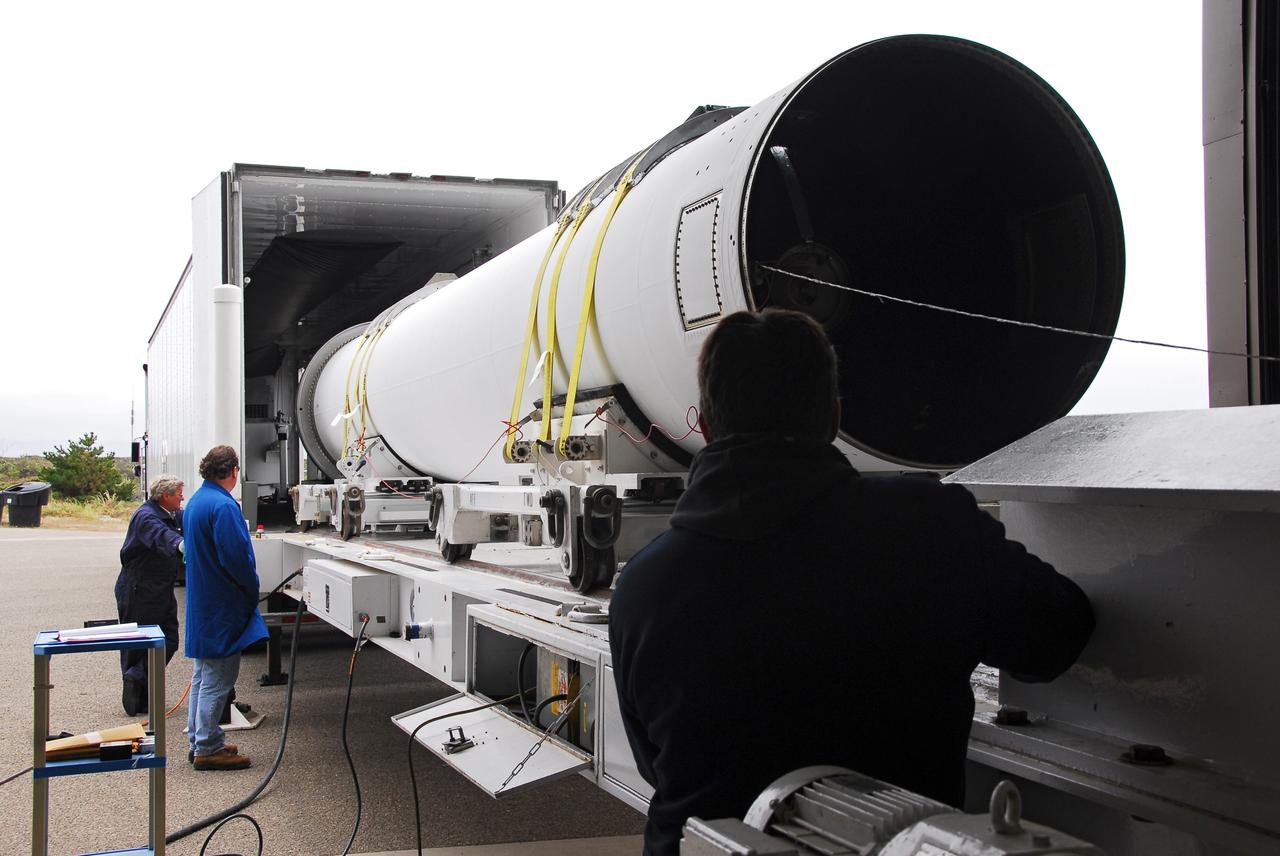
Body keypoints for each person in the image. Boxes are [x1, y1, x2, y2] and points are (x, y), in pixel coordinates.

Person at [608, 309, 1095, 855]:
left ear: (704, 425)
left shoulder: (643, 587)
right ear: (834, 416)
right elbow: (1057, 635)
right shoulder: (929, 526)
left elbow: (655, 764)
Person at [183, 445, 267, 771]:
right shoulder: (224, 507)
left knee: (203, 677)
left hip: (204, 604)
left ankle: (201, 740)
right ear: (232, 471)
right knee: (219, 679)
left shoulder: (196, 503)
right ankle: (206, 748)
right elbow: (236, 558)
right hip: (222, 606)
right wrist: (252, 586)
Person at [115, 475, 185, 716]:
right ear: (165, 495)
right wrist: (182, 545)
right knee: (138, 642)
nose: (182, 498)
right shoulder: (147, 516)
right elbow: (162, 537)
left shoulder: (173, 514)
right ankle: (138, 694)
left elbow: (190, 522)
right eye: (179, 493)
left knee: (169, 639)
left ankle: (137, 679)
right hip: (139, 588)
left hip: (161, 587)